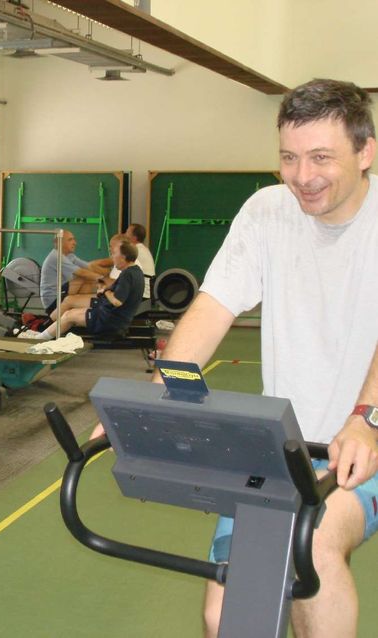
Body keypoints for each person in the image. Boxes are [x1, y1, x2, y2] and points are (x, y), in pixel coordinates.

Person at [94, 79, 378, 638]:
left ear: (365, 151)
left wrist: (366, 418)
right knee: (224, 614)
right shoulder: (268, 211)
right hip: (285, 446)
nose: (302, 176)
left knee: (313, 547)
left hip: (367, 436)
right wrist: (154, 399)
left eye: (321, 157)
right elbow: (212, 308)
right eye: (289, 158)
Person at [32, 239, 143, 340]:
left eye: (114, 254)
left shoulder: (127, 275)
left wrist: (105, 291)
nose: (112, 257)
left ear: (123, 257)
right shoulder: (136, 271)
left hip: (109, 321)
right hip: (110, 314)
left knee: (69, 316)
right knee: (69, 313)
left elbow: (117, 301)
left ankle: (38, 338)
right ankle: (42, 335)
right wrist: (105, 289)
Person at [38, 229, 106, 317]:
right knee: (84, 277)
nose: (74, 243)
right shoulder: (56, 256)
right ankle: (79, 310)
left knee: (89, 279)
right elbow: (82, 273)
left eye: (74, 239)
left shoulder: (70, 256)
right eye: (70, 240)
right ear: (58, 242)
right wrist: (106, 280)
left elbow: (89, 267)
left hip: (62, 293)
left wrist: (109, 274)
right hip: (52, 303)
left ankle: (80, 310)